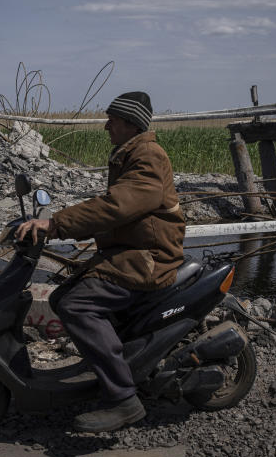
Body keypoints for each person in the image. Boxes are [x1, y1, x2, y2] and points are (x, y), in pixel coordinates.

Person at [14, 91, 186, 432]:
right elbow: (114, 207)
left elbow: (117, 206)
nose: (107, 126)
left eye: (112, 120)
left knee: (77, 304)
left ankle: (123, 399)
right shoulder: (129, 154)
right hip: (129, 252)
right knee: (63, 296)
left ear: (129, 123)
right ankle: (111, 365)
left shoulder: (148, 155)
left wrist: (55, 224)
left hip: (149, 258)